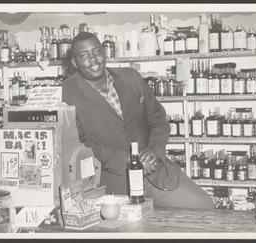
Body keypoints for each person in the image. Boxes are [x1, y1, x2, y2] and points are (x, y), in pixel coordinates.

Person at [62, 32, 213, 209]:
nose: (93, 59)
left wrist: (152, 152)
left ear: (104, 52)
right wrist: (128, 159)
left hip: (153, 171)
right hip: (114, 183)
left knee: (204, 206)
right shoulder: (67, 93)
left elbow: (157, 119)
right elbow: (81, 144)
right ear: (74, 62)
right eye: (83, 55)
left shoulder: (130, 77)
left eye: (96, 51)